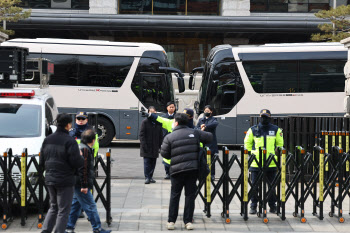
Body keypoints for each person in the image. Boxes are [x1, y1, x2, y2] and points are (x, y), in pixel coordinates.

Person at [160, 113, 212, 230]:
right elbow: (209, 137)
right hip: (192, 170)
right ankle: (188, 221)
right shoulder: (194, 133)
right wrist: (201, 130)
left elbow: (164, 154)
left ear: (176, 123)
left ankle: (171, 222)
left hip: (176, 171)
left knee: (175, 195)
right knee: (189, 196)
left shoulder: (170, 136)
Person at [39, 113, 84, 233]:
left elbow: (41, 161)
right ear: (68, 125)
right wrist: (81, 157)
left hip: (50, 178)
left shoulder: (47, 140)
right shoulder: (70, 141)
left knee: (53, 207)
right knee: (64, 210)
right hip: (65, 179)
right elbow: (76, 162)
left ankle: (45, 231)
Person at [66, 129, 112, 233]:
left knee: (75, 206)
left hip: (75, 181)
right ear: (92, 140)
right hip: (80, 183)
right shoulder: (85, 150)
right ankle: (97, 228)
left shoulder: (80, 147)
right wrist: (84, 185)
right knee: (90, 206)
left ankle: (69, 228)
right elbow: (83, 169)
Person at [244, 109, 283, 215]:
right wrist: (253, 154)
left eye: (266, 116)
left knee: (271, 186)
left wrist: (275, 154)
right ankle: (253, 206)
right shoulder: (253, 130)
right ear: (259, 117)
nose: (263, 118)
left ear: (269, 117)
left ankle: (272, 205)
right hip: (256, 163)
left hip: (271, 163)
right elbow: (247, 145)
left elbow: (280, 145)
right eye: (262, 116)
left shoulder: (276, 130)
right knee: (255, 186)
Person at [139, 106, 163, 184]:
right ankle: (147, 177)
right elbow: (142, 135)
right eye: (150, 112)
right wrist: (144, 145)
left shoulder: (158, 123)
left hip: (155, 146)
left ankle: (151, 176)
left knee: (153, 163)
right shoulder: (145, 122)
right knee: (147, 163)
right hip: (146, 146)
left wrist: (160, 146)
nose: (152, 114)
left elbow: (160, 136)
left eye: (153, 112)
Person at [195, 105, 218, 182]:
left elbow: (215, 124)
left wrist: (205, 126)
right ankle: (202, 175)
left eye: (208, 111)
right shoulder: (201, 119)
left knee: (212, 160)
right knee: (202, 159)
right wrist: (200, 128)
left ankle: (212, 175)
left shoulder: (213, 119)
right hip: (202, 142)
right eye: (205, 111)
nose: (206, 112)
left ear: (211, 111)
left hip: (211, 143)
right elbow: (196, 128)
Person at [161, 101, 176, 180]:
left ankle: (173, 172)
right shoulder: (163, 117)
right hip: (165, 139)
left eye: (173, 107)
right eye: (170, 107)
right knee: (166, 157)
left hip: (174, 140)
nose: (171, 108)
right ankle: (167, 173)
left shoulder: (177, 117)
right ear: (167, 108)